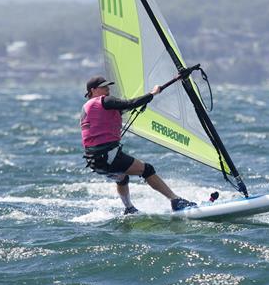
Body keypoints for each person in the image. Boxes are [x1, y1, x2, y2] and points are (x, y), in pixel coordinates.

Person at [80, 75, 197, 214]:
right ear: (93, 90)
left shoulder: (87, 107)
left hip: (94, 160)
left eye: (108, 86)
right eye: (103, 87)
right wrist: (153, 93)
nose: (108, 89)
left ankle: (129, 208)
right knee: (146, 169)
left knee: (122, 177)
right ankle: (176, 200)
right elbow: (130, 103)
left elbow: (110, 116)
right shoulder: (105, 101)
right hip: (107, 156)